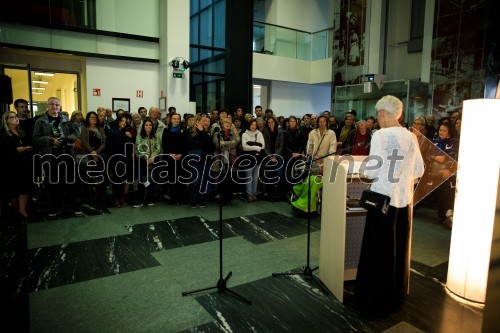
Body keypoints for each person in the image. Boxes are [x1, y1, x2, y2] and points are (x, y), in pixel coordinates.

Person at [355, 95, 424, 317]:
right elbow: (419, 170)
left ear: (383, 113)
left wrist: (366, 170)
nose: (377, 119)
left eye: (377, 115)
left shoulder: (380, 135)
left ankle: (375, 301)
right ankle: (395, 298)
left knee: (378, 252)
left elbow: (371, 171)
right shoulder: (410, 135)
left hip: (382, 201)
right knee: (398, 250)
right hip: (404, 202)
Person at [32, 97, 81, 216]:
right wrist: (50, 140)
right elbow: (35, 139)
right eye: (52, 104)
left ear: (60, 107)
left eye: (57, 105)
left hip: (66, 153)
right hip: (51, 155)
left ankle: (72, 205)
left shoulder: (65, 119)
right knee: (54, 182)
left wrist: (70, 138)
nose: (55, 106)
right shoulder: (41, 121)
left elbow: (75, 133)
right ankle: (55, 206)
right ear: (47, 106)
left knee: (70, 181)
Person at [0, 111, 34, 219]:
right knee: (13, 188)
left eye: (16, 117)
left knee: (26, 187)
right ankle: (17, 210)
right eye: (12, 117)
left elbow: (28, 142)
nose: (16, 119)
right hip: (12, 165)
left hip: (25, 163)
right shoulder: (4, 134)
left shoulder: (21, 131)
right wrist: (15, 150)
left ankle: (22, 208)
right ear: (7, 121)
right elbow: (3, 151)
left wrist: (28, 147)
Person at [185, 115, 214, 208]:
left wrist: (202, 132)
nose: (206, 122)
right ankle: (193, 200)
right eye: (204, 120)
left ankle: (201, 200)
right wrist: (202, 143)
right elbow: (191, 144)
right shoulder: (189, 131)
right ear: (197, 121)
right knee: (196, 180)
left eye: (207, 121)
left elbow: (210, 145)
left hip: (206, 159)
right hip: (195, 159)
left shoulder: (206, 132)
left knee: (203, 181)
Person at [80, 111, 107, 209]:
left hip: (100, 155)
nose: (94, 119)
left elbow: (104, 142)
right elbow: (84, 142)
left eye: (95, 117)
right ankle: (91, 200)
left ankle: (99, 199)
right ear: (88, 118)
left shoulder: (100, 129)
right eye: (91, 117)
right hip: (89, 156)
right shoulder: (85, 129)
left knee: (100, 178)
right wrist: (92, 152)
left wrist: (97, 153)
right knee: (90, 178)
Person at [212, 118, 240, 205]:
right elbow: (216, 144)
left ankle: (228, 198)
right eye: (225, 123)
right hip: (220, 159)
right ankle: (222, 198)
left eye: (229, 123)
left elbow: (235, 142)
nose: (227, 124)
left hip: (230, 159)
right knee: (221, 179)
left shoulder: (234, 133)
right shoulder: (217, 132)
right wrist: (227, 144)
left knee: (229, 180)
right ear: (222, 124)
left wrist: (224, 143)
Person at [134, 119, 160, 207]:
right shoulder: (139, 136)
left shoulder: (155, 136)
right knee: (142, 181)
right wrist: (147, 158)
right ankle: (140, 201)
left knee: (151, 180)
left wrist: (152, 157)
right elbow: (139, 148)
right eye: (146, 125)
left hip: (153, 161)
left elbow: (158, 148)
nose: (148, 126)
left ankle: (150, 199)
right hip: (142, 161)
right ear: (143, 126)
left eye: (150, 125)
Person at [162, 113, 187, 205]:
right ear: (171, 120)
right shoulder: (166, 130)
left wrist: (181, 154)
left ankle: (181, 198)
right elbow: (164, 144)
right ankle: (172, 198)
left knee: (180, 178)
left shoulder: (183, 131)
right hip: (170, 158)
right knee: (172, 178)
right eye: (174, 119)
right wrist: (170, 154)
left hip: (181, 158)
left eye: (178, 119)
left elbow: (185, 144)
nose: (176, 120)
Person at [241, 119, 265, 202]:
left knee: (255, 177)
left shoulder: (259, 133)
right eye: (252, 124)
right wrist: (256, 146)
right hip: (248, 158)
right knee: (249, 177)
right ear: (249, 125)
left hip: (257, 158)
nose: (254, 126)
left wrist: (250, 144)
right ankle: (249, 194)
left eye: (255, 125)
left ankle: (254, 194)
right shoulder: (244, 134)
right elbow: (244, 147)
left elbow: (262, 146)